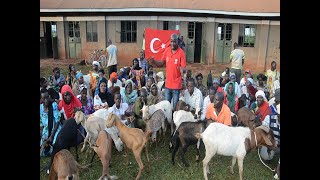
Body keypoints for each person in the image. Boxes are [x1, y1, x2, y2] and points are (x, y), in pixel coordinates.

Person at [149, 33, 186, 110]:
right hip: (168, 85)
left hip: (176, 85)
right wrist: (154, 61)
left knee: (175, 106)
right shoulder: (167, 51)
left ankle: (173, 120)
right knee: (166, 106)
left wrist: (182, 70)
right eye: (171, 41)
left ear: (177, 42)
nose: (172, 43)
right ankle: (167, 121)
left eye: (174, 41)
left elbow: (183, 68)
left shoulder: (181, 53)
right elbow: (161, 63)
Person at [40, 88, 62, 156]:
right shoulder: (40, 108)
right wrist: (42, 136)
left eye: (47, 97)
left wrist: (51, 136)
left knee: (55, 145)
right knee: (43, 149)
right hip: (46, 130)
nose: (46, 100)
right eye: (44, 98)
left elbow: (57, 121)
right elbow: (41, 125)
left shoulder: (53, 105)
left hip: (55, 128)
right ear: (41, 99)